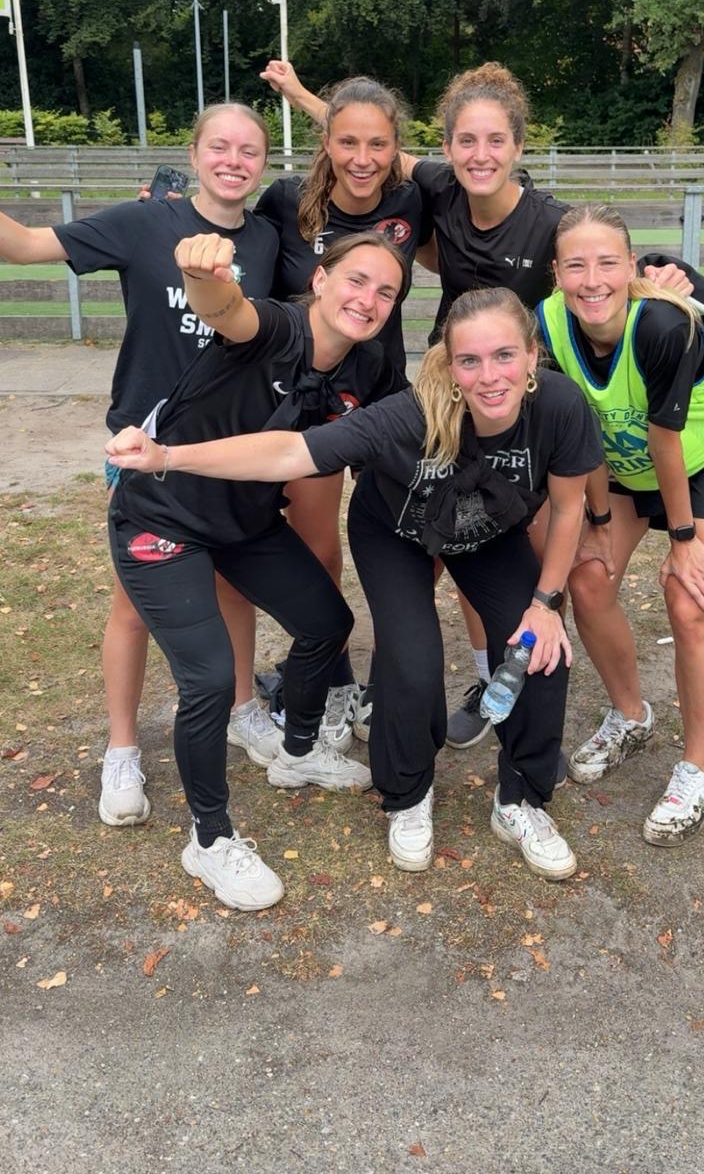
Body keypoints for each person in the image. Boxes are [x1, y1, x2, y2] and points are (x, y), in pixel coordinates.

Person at [263, 58, 689, 754]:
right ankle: (426, 678)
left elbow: (596, 268)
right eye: (466, 141)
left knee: (518, 555)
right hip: (442, 389)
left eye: (495, 141)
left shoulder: (549, 223)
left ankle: (550, 690)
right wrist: (300, 94)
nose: (480, 155)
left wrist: (662, 275)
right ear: (447, 146)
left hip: (514, 400)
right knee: (433, 541)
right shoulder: (436, 185)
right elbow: (363, 137)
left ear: (519, 147)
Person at [111, 287, 605, 882]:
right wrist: (169, 454)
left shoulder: (559, 405)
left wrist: (546, 603)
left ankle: (520, 799)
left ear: (531, 356)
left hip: (489, 532)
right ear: (450, 365)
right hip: (396, 530)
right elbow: (289, 453)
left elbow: (569, 505)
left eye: (504, 356)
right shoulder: (410, 414)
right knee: (412, 658)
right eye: (470, 361)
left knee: (542, 655)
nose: (489, 376)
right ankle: (409, 793)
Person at [104, 230, 411, 911]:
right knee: (210, 678)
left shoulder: (371, 370)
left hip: (247, 524)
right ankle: (209, 840)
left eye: (386, 292)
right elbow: (225, 308)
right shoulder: (276, 325)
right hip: (162, 515)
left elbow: (413, 427)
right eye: (357, 280)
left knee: (328, 622)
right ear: (323, 279)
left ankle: (297, 752)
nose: (369, 299)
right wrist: (202, 273)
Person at [0, 103, 280, 826]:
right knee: (135, 604)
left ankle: (243, 709)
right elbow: (28, 245)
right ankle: (121, 748)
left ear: (264, 162)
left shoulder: (269, 241)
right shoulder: (142, 223)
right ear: (193, 155)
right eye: (219, 146)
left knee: (232, 584)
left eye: (249, 150)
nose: (233, 160)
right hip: (144, 448)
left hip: (226, 450)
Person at [537, 204, 704, 845]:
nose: (593, 280)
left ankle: (699, 770)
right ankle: (631, 716)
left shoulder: (664, 323)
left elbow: (665, 438)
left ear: (632, 266)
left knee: (688, 598)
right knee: (588, 577)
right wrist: (594, 519)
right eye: (576, 265)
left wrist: (682, 540)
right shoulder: (548, 326)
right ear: (556, 272)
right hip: (623, 467)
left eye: (608, 263)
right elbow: (578, 433)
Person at [255, 72, 433, 750]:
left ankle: (391, 680)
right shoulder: (282, 203)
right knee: (319, 547)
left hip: (387, 393)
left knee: (405, 536)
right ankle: (329, 681)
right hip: (313, 399)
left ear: (395, 149)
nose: (363, 158)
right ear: (325, 143)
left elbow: (485, 194)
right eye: (349, 141)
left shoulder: (411, 202)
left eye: (379, 144)